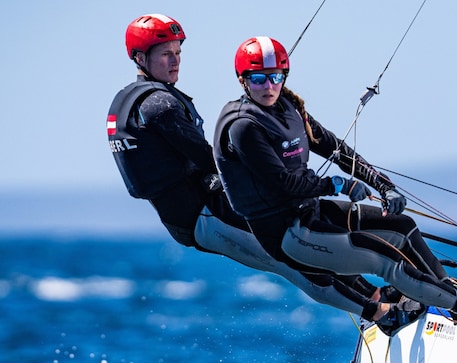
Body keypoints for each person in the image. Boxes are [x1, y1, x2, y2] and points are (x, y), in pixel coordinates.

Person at [106, 14, 412, 331]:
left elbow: (325, 143)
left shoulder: (136, 100)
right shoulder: (160, 104)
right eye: (166, 54)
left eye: (178, 52)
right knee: (292, 259)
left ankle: (382, 296)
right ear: (141, 58)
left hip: (208, 205)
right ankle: (383, 316)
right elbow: (214, 162)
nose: (175, 61)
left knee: (316, 238)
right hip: (201, 215)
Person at [212, 36, 457, 331]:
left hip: (311, 213)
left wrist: (383, 186)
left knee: (401, 227)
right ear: (243, 80)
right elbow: (282, 182)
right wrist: (337, 185)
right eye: (258, 79)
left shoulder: (288, 109)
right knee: (385, 259)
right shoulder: (243, 126)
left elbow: (336, 148)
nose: (268, 87)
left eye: (276, 77)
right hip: (288, 234)